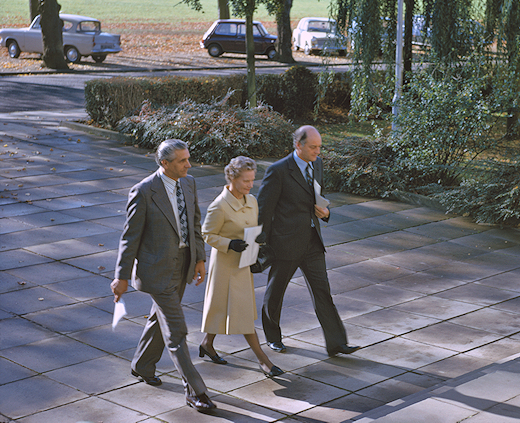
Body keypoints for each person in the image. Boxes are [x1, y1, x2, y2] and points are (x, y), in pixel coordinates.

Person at [110, 139, 216, 413]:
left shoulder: (189, 183)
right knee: (177, 330)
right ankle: (195, 391)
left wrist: (200, 258)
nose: (188, 165)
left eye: (188, 159)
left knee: (161, 317)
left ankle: (142, 364)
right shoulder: (144, 191)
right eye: (182, 161)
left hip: (183, 264)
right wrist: (121, 276)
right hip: (156, 270)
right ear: (164, 163)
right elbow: (129, 238)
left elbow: (194, 222)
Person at [257, 125, 360, 356]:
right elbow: (263, 209)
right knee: (275, 292)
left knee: (323, 291)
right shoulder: (278, 171)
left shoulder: (318, 164)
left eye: (319, 147)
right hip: (285, 243)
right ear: (298, 145)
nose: (317, 151)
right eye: (313, 147)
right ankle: (272, 337)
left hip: (313, 241)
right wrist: (260, 244)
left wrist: (326, 214)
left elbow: (317, 197)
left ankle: (336, 343)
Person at [200, 156, 284, 378]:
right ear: (232, 178)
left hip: (244, 263)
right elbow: (207, 234)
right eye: (245, 180)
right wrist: (229, 244)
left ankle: (207, 344)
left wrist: (258, 240)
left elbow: (253, 228)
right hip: (226, 267)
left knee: (221, 307)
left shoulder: (252, 201)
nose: (250, 184)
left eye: (252, 180)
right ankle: (264, 361)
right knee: (243, 314)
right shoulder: (219, 206)